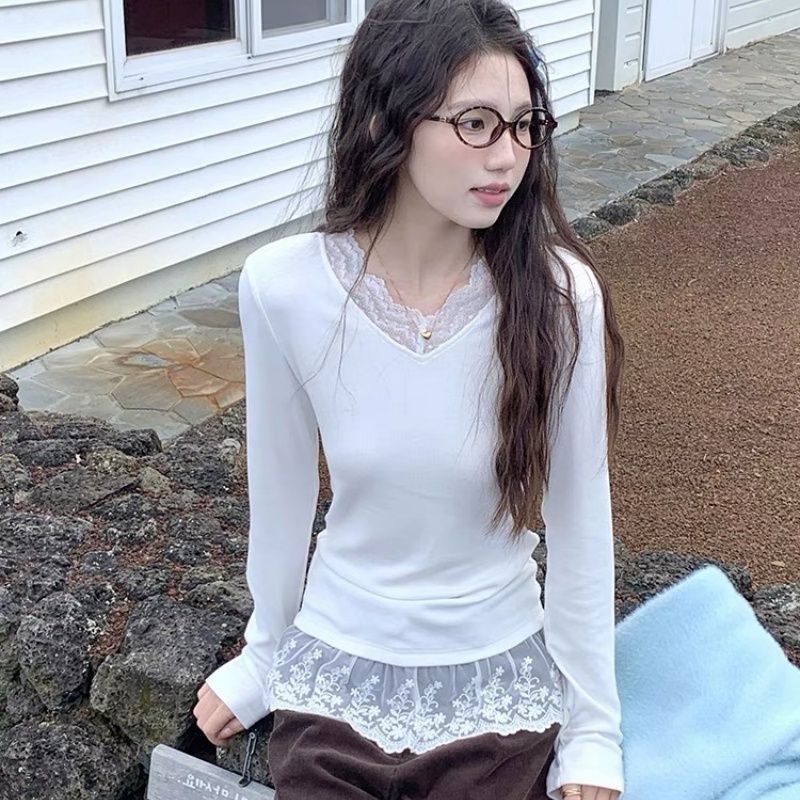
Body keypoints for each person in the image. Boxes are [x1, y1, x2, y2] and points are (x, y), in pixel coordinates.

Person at [192, 1, 626, 798]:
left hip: (497, 693)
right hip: (334, 683)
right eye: (475, 124)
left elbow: (579, 523)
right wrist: (264, 655)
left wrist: (594, 734)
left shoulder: (561, 296)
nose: (509, 156)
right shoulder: (284, 287)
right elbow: (280, 499)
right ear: (381, 122)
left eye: (524, 125)